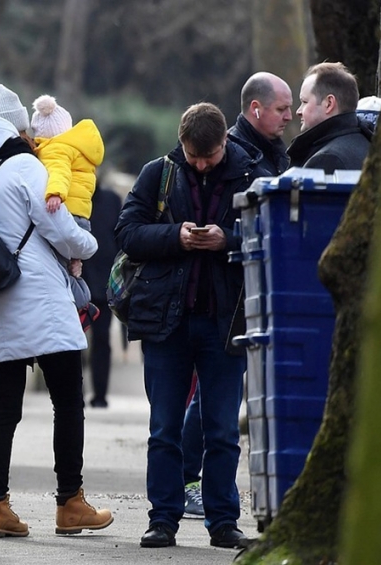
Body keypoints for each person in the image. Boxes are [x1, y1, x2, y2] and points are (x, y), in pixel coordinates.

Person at [0, 82, 113, 538]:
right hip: (42, 299)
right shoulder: (25, 167)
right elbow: (59, 226)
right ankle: (70, 502)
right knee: (68, 400)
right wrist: (88, 245)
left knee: (3, 407)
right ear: (15, 127)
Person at [116, 102, 258, 549]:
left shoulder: (251, 176)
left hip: (224, 322)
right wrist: (175, 236)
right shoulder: (159, 173)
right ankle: (163, 519)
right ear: (181, 144)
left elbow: (266, 236)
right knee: (164, 429)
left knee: (221, 430)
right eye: (192, 156)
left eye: (208, 157)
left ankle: (223, 522)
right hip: (167, 324)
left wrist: (226, 239)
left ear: (225, 144)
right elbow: (127, 232)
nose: (199, 165)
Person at [178, 71, 295, 519]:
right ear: (255, 109)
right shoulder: (234, 155)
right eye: (283, 109)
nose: (290, 116)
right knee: (209, 402)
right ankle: (191, 481)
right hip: (226, 296)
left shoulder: (266, 151)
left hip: (242, 291)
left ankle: (199, 487)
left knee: (213, 402)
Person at [30, 94, 105, 329]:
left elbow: (59, 172)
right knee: (71, 269)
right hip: (81, 216)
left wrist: (54, 194)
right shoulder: (79, 149)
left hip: (66, 213)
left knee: (58, 270)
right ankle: (83, 298)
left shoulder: (56, 149)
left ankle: (83, 307)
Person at [287, 62, 372, 172]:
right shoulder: (368, 145)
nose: (299, 111)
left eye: (304, 101)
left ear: (329, 103)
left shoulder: (327, 160)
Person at [81, 181, 121, 408]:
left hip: (105, 284)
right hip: (78, 283)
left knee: (102, 340)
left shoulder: (111, 200)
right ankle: (77, 393)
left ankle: (100, 395)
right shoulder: (71, 198)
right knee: (74, 344)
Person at [228, 71, 293, 176]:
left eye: (289, 108)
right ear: (255, 108)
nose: (288, 117)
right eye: (281, 109)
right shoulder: (230, 155)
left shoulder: (279, 152)